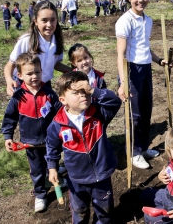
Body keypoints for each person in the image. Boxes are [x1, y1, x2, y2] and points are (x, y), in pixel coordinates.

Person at [46, 71, 122, 223]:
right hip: (76, 178)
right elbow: (52, 147)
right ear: (63, 100)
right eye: (76, 93)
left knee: (104, 210)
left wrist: (94, 90)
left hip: (101, 174)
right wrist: (52, 167)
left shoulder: (98, 114)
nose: (83, 95)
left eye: (85, 91)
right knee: (79, 210)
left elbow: (115, 101)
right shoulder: (57, 124)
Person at [115, 0, 172, 169]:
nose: (141, 0)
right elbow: (121, 54)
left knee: (146, 110)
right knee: (135, 114)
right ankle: (134, 153)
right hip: (130, 69)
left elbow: (144, 46)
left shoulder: (148, 20)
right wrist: (123, 82)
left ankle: (143, 146)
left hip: (145, 68)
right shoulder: (125, 21)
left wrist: (159, 60)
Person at [1, 53, 63, 212]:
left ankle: (56, 183)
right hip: (31, 143)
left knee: (52, 165)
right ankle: (40, 194)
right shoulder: (18, 97)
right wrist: (8, 136)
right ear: (20, 75)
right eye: (29, 73)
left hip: (50, 141)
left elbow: (61, 114)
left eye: (37, 72)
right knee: (36, 170)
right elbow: (10, 118)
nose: (34, 76)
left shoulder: (49, 93)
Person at [3, 1, 71, 96]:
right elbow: (10, 65)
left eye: (53, 20)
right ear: (35, 21)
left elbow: (55, 64)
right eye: (44, 20)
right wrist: (9, 80)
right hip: (25, 85)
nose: (49, 24)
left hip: (45, 84)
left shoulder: (57, 40)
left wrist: (74, 71)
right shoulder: (26, 41)